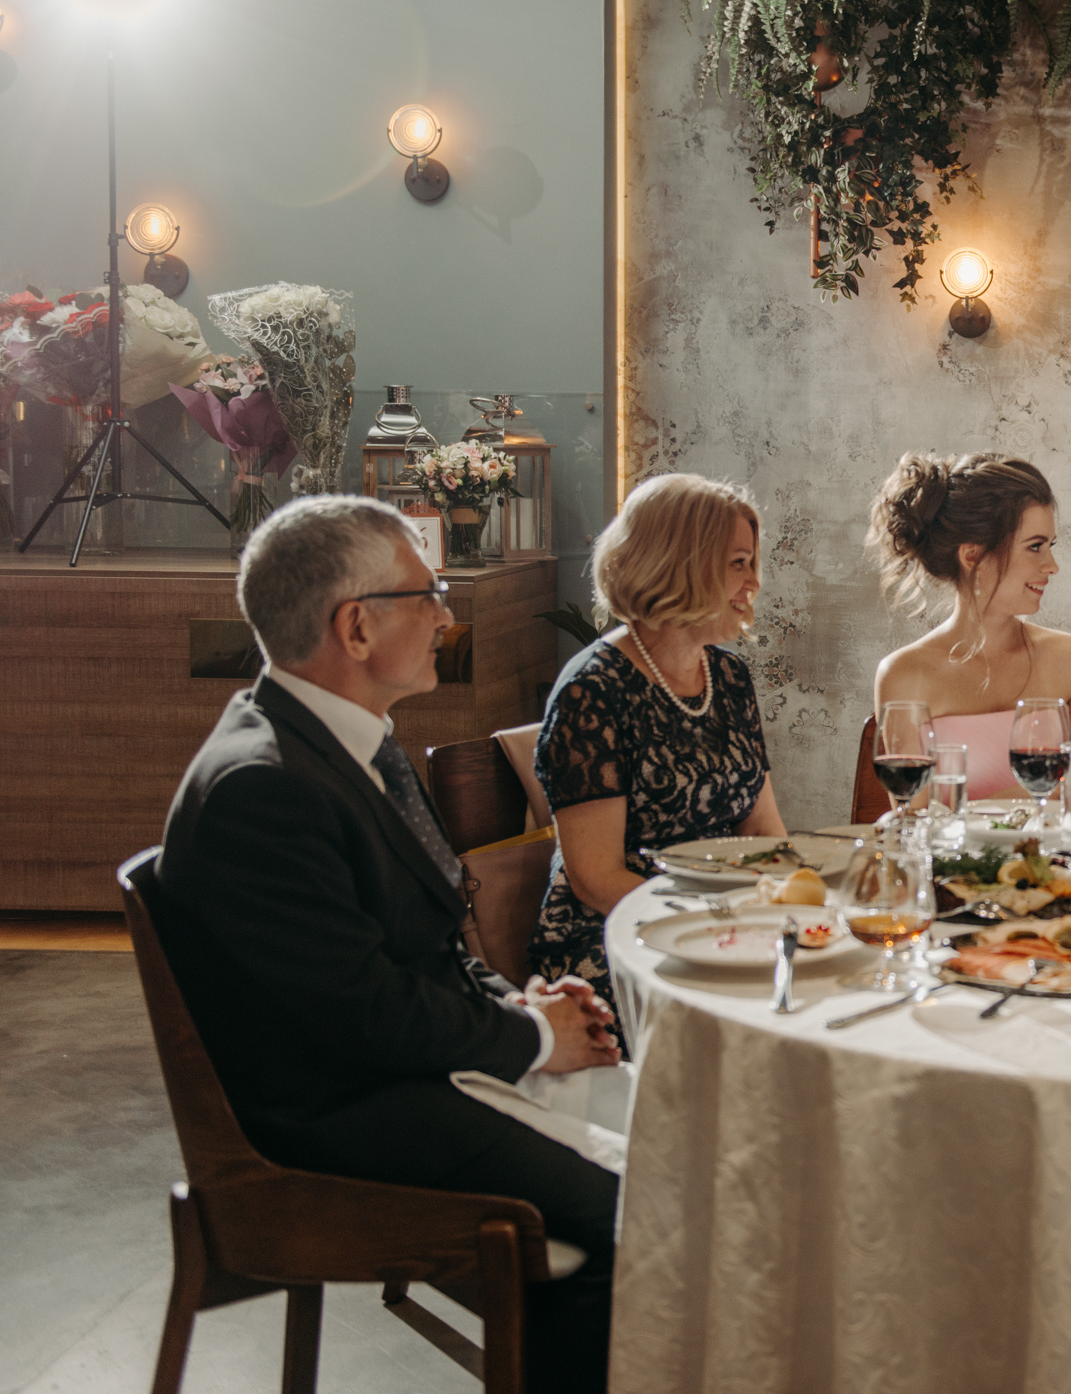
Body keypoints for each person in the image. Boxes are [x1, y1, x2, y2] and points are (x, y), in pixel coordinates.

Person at [154, 496, 622, 1394]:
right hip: (330, 1120)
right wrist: (531, 1040)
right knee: (632, 1205)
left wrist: (515, 1007)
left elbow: (416, 947)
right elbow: (362, 1017)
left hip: (383, 1070)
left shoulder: (338, 737)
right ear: (357, 626)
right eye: (430, 593)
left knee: (674, 1129)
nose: (448, 615)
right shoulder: (266, 788)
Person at [528, 473, 781, 1029]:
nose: (753, 583)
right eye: (739, 563)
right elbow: (595, 879)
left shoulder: (729, 677)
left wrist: (784, 903)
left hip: (720, 926)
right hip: (615, 941)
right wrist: (713, 926)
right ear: (682, 563)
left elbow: (765, 829)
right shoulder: (590, 689)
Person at [866, 451, 1071, 809]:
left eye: (1050, 546)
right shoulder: (904, 674)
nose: (1052, 565)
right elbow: (915, 821)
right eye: (1035, 547)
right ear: (972, 556)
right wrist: (1049, 792)